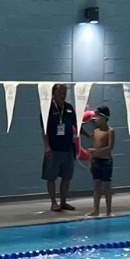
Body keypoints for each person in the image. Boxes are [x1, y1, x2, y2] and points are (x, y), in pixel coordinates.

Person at [41, 83, 78, 213]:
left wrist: (89, 135)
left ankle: (63, 201)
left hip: (68, 148)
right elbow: (44, 130)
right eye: (61, 91)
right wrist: (47, 146)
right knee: (51, 177)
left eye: (65, 91)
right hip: (54, 149)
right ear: (54, 93)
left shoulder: (69, 108)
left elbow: (77, 125)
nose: (63, 94)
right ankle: (53, 202)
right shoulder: (47, 108)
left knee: (67, 177)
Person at [86, 105, 115, 218]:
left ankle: (109, 211)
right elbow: (93, 148)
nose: (95, 119)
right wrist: (90, 162)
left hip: (106, 162)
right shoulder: (95, 131)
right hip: (96, 161)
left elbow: (110, 147)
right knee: (96, 187)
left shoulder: (110, 131)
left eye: (97, 116)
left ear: (104, 118)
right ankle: (96, 210)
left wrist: (96, 152)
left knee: (106, 187)